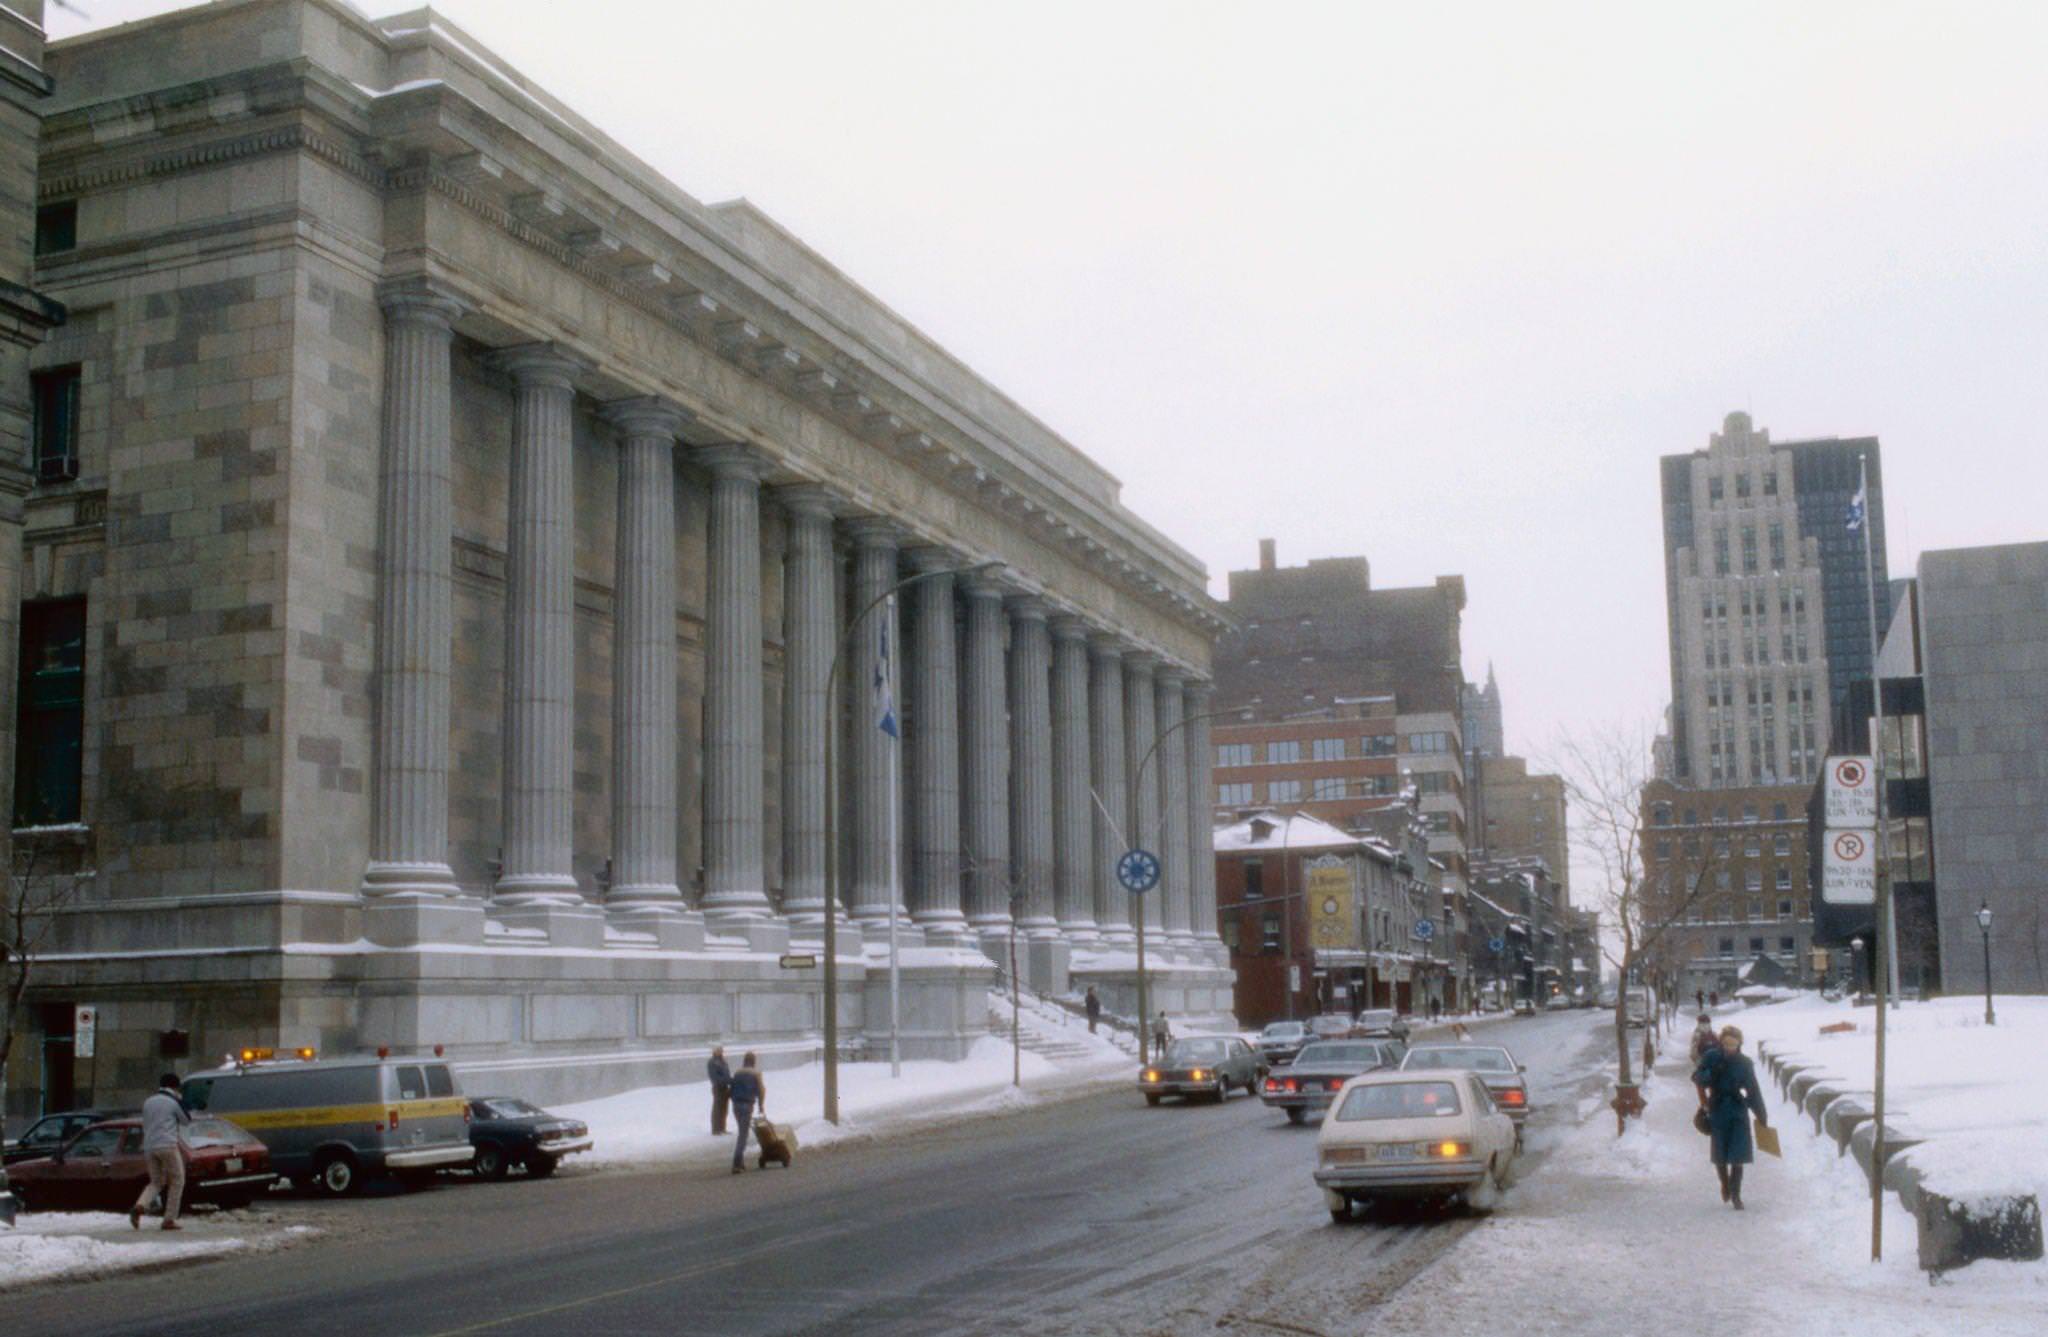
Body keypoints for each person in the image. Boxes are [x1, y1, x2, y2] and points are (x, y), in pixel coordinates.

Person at [1693, 1025, 1769, 1210]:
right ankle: (1725, 1183)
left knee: (1738, 1154)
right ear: (1721, 1041)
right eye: (1726, 1043)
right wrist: (1712, 1072)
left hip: (1737, 1109)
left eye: (1733, 1044)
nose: (1729, 1047)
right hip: (1717, 1109)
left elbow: (1753, 1090)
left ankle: (1736, 1194)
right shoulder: (1712, 1056)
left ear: (1739, 1044)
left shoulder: (1745, 1063)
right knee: (1720, 1154)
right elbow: (1697, 1077)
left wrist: (1761, 1114)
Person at [130, 1072, 190, 1231]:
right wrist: (182, 1102)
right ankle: (169, 1219)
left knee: (156, 1181)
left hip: (149, 1146)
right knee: (177, 1180)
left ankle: (140, 1205)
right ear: (175, 1086)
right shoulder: (173, 1101)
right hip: (168, 1145)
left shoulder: (148, 1101)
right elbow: (186, 1121)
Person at [728, 1052, 765, 1174]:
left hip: (736, 1105)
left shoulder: (737, 1073)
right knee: (743, 1136)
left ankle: (741, 1163)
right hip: (747, 1105)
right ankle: (736, 1164)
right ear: (753, 1061)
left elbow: (731, 1089)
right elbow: (761, 1090)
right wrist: (761, 1106)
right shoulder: (756, 1073)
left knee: (741, 1133)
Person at [707, 1045, 732, 1136]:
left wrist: (730, 1081)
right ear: (715, 1051)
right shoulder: (712, 1062)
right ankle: (715, 1129)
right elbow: (714, 1077)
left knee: (724, 1108)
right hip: (718, 1087)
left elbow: (727, 1073)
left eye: (722, 1050)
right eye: (719, 1050)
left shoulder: (723, 1061)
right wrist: (725, 1080)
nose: (722, 1051)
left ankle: (722, 1128)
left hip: (725, 1087)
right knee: (717, 1108)